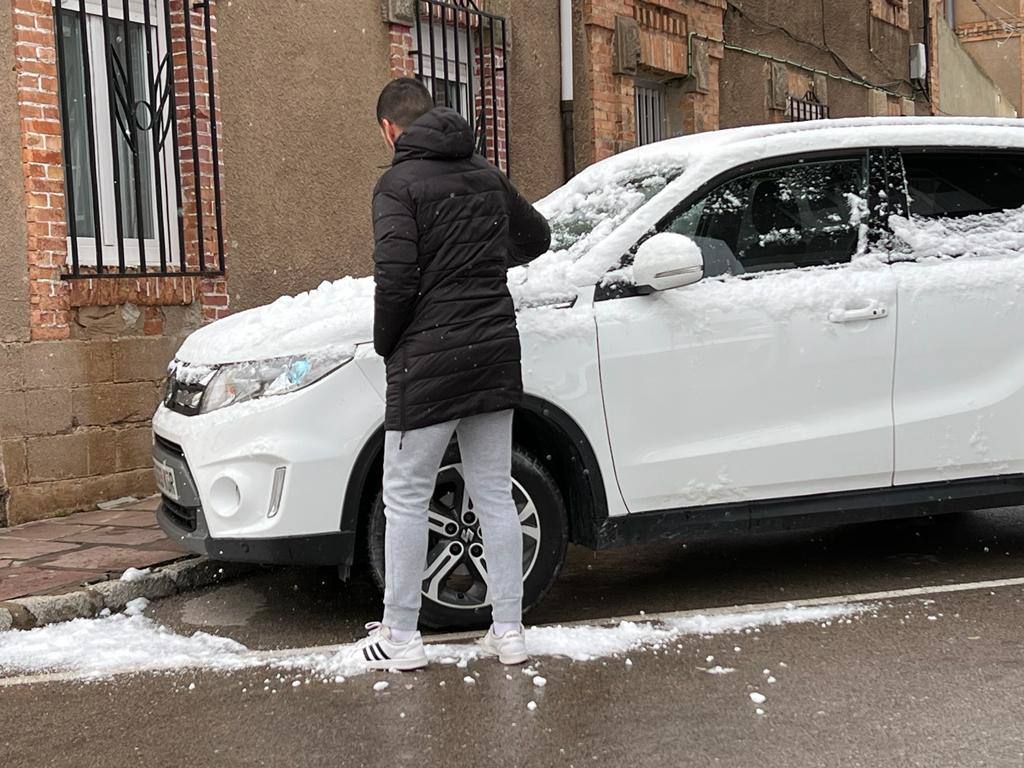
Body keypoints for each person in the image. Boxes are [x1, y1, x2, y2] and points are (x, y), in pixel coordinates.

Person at [347, 78, 551, 671]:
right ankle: (508, 630)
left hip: (429, 359)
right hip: (490, 351)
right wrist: (482, 259)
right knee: (493, 493)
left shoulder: (396, 184)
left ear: (390, 129)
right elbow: (535, 237)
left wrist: (389, 344)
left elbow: (397, 279)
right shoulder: (485, 175)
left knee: (406, 497)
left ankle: (402, 635)